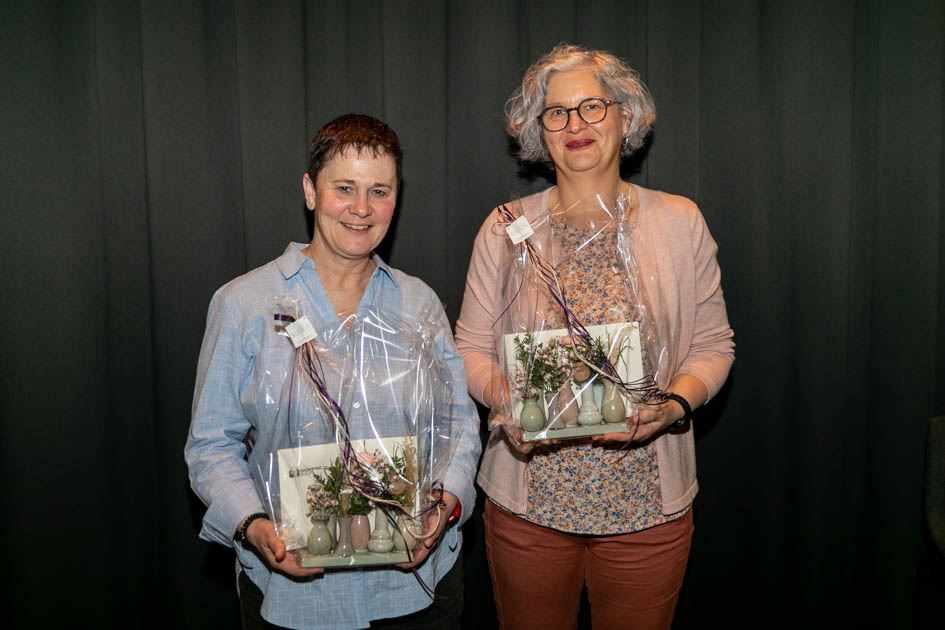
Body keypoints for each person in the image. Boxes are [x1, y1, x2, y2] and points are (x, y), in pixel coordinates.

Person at [455, 44, 735, 629]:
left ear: (625, 117)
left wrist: (676, 404)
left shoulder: (679, 223)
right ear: (540, 131)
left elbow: (713, 347)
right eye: (556, 113)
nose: (575, 125)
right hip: (528, 509)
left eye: (592, 107)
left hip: (647, 513)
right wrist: (508, 401)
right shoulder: (506, 228)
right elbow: (471, 349)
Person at [185, 113, 481, 630]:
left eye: (379, 191)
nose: (362, 209)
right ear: (310, 191)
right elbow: (210, 444)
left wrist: (446, 503)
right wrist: (255, 527)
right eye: (344, 188)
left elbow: (459, 423)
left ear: (396, 198)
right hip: (292, 598)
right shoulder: (245, 304)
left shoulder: (419, 303)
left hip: (414, 589)